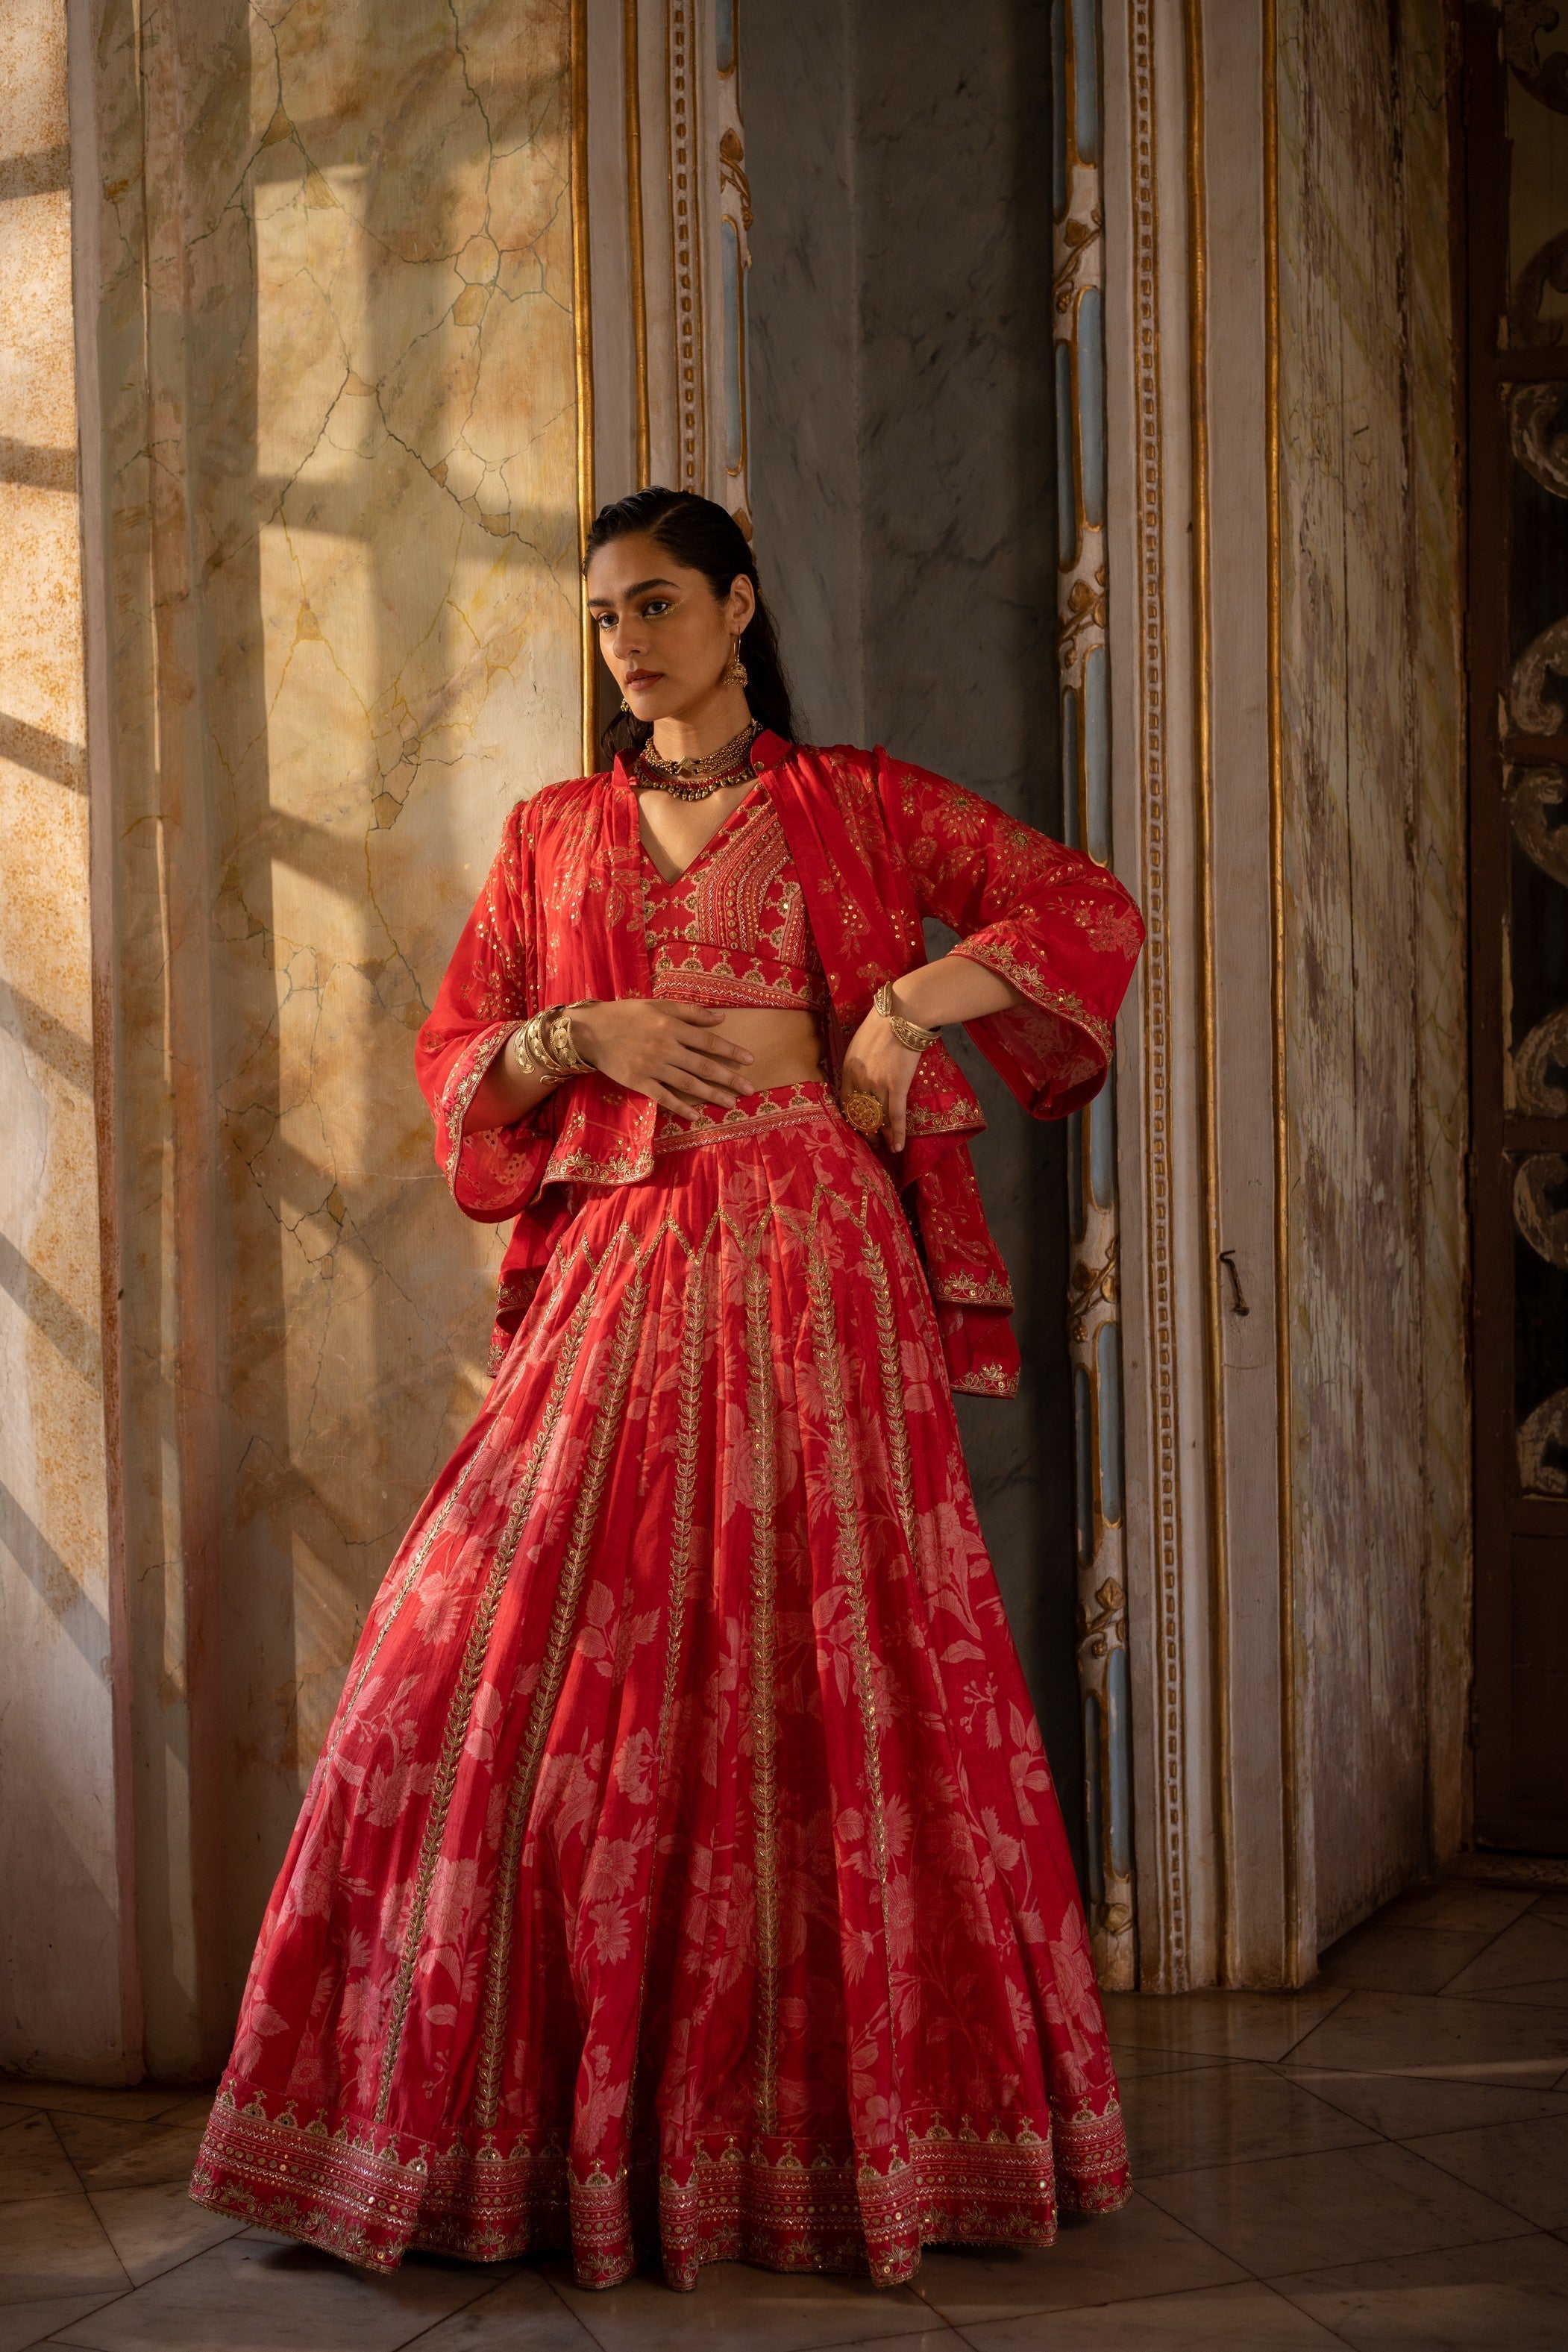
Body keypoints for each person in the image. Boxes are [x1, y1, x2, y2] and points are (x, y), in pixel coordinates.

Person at [192, 488, 1143, 2292]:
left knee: (835, 1651)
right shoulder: (554, 832)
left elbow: (1080, 905)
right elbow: (457, 1050)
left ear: (737, 605)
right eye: (605, 615)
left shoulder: (850, 800)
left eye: (655, 603)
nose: (627, 640)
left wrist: (904, 1009)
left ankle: (842, 2135)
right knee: (489, 1632)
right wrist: (584, 1034)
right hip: (629, 1252)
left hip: (816, 1254)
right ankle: (495, 2127)